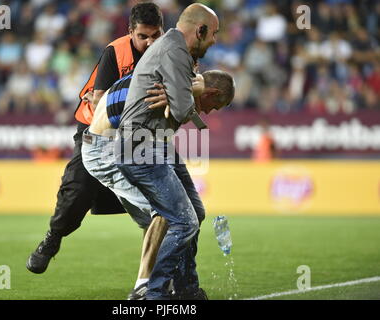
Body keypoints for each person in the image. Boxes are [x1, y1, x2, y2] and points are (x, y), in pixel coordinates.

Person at [26, 3, 165, 288]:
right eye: (143, 36)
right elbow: (101, 101)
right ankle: (52, 239)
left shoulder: (166, 53)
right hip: (96, 134)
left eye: (155, 35)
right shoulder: (116, 52)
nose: (150, 42)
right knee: (76, 195)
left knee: (160, 206)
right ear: (130, 32)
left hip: (137, 136)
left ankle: (158, 278)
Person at [82, 69, 235, 299]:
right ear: (211, 92)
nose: (208, 112)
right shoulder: (173, 90)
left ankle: (185, 288)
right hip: (107, 148)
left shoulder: (174, 79)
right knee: (169, 211)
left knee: (191, 212)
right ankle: (146, 288)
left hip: (139, 142)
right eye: (214, 105)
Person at [115, 3, 222, 300]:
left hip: (156, 143)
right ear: (199, 30)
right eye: (213, 34)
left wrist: (183, 94)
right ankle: (156, 294)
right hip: (139, 147)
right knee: (183, 220)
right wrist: (192, 92)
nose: (214, 40)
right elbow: (182, 108)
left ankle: (186, 289)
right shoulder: (174, 51)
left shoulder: (178, 51)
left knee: (195, 212)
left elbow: (179, 107)